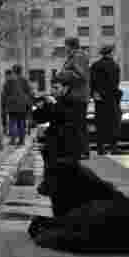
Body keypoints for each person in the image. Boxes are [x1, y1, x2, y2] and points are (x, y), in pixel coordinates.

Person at [33, 76, 86, 215]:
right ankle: (58, 214)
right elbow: (41, 118)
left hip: (68, 145)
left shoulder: (74, 101)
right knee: (54, 183)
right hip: (53, 144)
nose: (53, 91)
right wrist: (39, 107)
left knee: (67, 183)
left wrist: (54, 104)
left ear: (65, 88)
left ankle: (69, 214)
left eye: (56, 88)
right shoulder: (55, 101)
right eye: (52, 87)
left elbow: (67, 118)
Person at [59, 37, 91, 159]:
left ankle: (82, 151)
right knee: (75, 124)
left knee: (79, 124)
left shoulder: (78, 56)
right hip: (75, 95)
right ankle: (78, 150)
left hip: (78, 95)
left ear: (70, 46)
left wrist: (63, 75)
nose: (64, 48)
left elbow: (80, 75)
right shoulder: (74, 56)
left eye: (65, 45)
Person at [90, 44, 122, 156]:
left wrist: (94, 94)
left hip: (100, 98)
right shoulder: (115, 66)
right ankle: (114, 147)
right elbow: (115, 83)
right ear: (111, 53)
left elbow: (91, 82)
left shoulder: (95, 65)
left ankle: (100, 147)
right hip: (111, 98)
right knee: (114, 122)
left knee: (100, 123)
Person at [2, 67, 32, 146]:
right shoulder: (24, 80)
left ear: (13, 71)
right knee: (21, 123)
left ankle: (13, 140)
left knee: (12, 122)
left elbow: (5, 94)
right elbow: (29, 92)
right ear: (21, 71)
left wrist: (4, 105)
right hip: (22, 105)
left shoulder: (9, 81)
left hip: (12, 105)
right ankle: (22, 141)